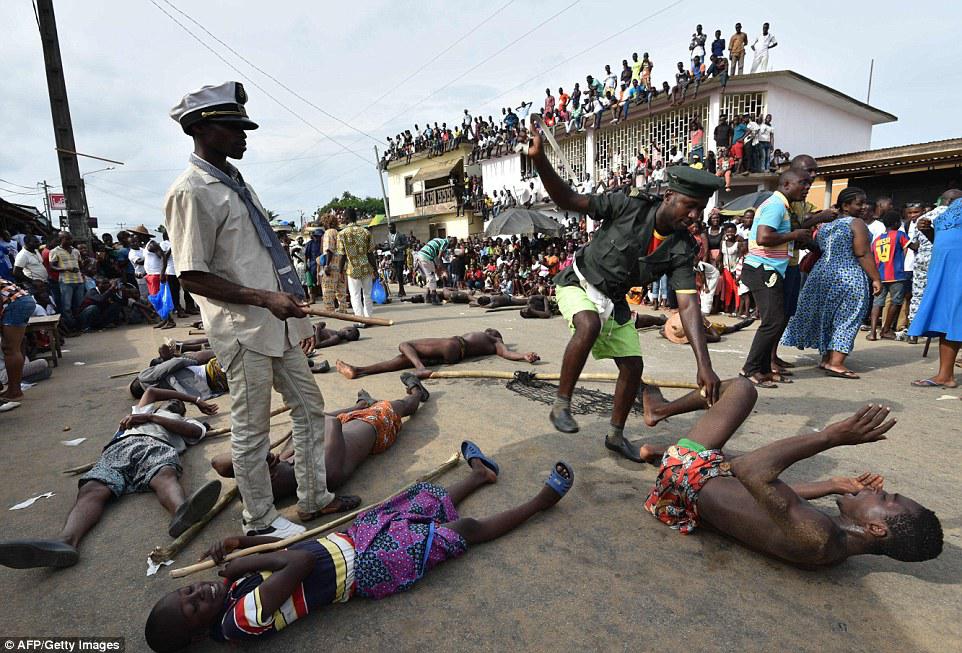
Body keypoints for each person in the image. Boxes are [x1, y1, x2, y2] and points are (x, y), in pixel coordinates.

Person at [144, 445, 573, 651]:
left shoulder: (230, 594)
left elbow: (288, 546)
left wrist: (241, 542)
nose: (198, 593)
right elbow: (297, 563)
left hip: (347, 542)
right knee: (463, 529)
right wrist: (242, 564)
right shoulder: (239, 621)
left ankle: (480, 475)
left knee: (421, 500)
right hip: (366, 567)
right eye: (194, 607)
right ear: (199, 633)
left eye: (188, 591)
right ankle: (541, 502)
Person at [165, 81, 357, 540]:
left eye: (244, 128)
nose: (244, 136)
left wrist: (296, 314)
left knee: (309, 408)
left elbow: (267, 256)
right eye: (234, 128)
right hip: (243, 329)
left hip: (276, 324)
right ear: (200, 129)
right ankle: (260, 520)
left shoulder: (237, 184)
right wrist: (264, 299)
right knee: (251, 430)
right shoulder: (191, 192)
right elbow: (191, 276)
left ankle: (314, 497)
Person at [527, 121, 722, 463]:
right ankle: (561, 404)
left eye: (699, 210)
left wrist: (703, 365)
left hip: (614, 300)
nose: (694, 216)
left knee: (633, 366)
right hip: (578, 282)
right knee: (588, 324)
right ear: (668, 196)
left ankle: (616, 436)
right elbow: (569, 199)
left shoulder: (682, 247)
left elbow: (689, 305)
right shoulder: (627, 205)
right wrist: (540, 161)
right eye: (689, 205)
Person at [636, 378, 942, 567]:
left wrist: (830, 436)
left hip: (684, 478)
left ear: (876, 529)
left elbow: (749, 470)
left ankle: (660, 412)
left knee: (743, 389)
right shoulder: (832, 541)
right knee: (755, 465)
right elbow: (777, 500)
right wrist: (833, 484)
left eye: (885, 498)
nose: (878, 490)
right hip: (705, 484)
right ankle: (657, 449)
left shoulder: (819, 536)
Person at [0, 387, 223, 569]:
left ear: (182, 412)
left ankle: (181, 512)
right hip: (119, 449)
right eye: (172, 400)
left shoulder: (185, 422)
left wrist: (153, 417)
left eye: (179, 405)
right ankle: (65, 542)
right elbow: (153, 391)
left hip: (155, 446)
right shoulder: (141, 410)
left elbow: (195, 433)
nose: (175, 402)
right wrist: (194, 399)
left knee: (163, 474)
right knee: (92, 488)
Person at [211, 379, 431, 501]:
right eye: (267, 467)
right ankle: (416, 392)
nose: (273, 460)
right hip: (377, 425)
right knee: (402, 406)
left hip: (344, 424)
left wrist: (258, 454)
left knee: (311, 421)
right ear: (273, 476)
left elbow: (218, 462)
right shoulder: (324, 474)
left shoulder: (287, 462)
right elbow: (328, 422)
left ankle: (361, 405)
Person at [782, 187, 881, 379]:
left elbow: (819, 247)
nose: (864, 207)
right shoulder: (856, 223)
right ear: (845, 205)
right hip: (848, 275)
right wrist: (876, 278)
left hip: (821, 274)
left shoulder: (827, 225)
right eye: (859, 203)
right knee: (848, 316)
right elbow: (862, 253)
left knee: (827, 317)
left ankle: (827, 359)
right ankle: (836, 363)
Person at [908, 197, 962, 391]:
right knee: (949, 320)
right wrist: (929, 231)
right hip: (945, 271)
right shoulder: (954, 207)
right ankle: (945, 376)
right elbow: (946, 239)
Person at [336, 329, 539, 379]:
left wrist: (523, 355)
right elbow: (508, 355)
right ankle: (359, 370)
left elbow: (507, 352)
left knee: (405, 345)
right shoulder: (494, 346)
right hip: (453, 355)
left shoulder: (495, 340)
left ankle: (420, 369)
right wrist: (524, 356)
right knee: (402, 359)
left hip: (453, 344)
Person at [867, 210, 912, 342]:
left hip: (880, 276)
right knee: (896, 302)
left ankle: (873, 332)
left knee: (877, 303)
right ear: (897, 223)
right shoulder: (899, 235)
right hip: (897, 275)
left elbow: (872, 257)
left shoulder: (877, 240)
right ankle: (886, 330)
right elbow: (912, 246)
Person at [337, 208, 377, 325]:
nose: (342, 219)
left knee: (355, 295)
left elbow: (342, 256)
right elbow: (370, 254)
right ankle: (369, 318)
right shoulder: (365, 232)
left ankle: (360, 320)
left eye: (343, 217)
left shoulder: (342, 234)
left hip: (352, 269)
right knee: (367, 295)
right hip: (366, 268)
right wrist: (375, 269)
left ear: (347, 218)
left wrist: (340, 271)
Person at [0, 279, 37, 403]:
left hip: (14, 303)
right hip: (21, 300)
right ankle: (14, 389)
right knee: (12, 347)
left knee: (10, 349)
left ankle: (15, 391)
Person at [48, 231, 84, 319]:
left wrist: (82, 268)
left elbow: (80, 264)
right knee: (67, 306)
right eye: (67, 239)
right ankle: (70, 323)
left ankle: (80, 322)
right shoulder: (54, 251)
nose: (70, 241)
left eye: (71, 239)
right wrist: (66, 269)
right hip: (66, 282)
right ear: (61, 239)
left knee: (79, 305)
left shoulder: (76, 251)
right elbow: (52, 266)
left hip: (79, 280)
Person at [660, 311, 754, 344]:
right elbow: (717, 337)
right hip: (708, 329)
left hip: (694, 325)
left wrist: (668, 333)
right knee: (728, 329)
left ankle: (663, 319)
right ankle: (739, 325)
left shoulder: (676, 330)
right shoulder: (698, 335)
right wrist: (707, 323)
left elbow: (662, 332)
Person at [417, 236, 448, 305]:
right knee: (432, 277)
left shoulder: (437, 240)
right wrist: (442, 268)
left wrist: (436, 267)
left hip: (420, 255)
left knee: (429, 276)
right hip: (426, 257)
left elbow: (435, 256)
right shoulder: (445, 242)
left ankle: (427, 297)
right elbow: (439, 256)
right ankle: (434, 299)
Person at [386, 223, 410, 297]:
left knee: (400, 274)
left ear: (395, 227)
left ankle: (401, 290)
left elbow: (406, 245)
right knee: (397, 274)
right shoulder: (388, 236)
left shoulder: (401, 235)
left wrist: (397, 249)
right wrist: (382, 248)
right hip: (393, 258)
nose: (390, 230)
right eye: (389, 228)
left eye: (391, 228)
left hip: (400, 257)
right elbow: (389, 246)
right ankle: (401, 290)